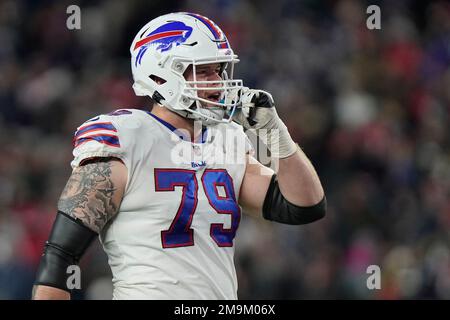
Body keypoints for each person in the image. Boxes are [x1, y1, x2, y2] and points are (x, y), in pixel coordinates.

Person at [32, 12, 326, 300]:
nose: (218, 82)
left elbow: (303, 206)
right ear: (161, 75)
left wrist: (276, 133)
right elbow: (60, 256)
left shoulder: (227, 138)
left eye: (220, 70)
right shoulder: (126, 136)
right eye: (204, 71)